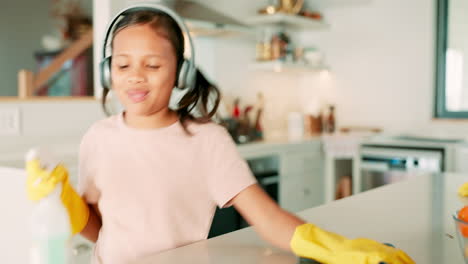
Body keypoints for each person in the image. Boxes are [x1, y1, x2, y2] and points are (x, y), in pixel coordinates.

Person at [25, 3, 415, 264]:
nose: (135, 77)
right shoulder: (97, 138)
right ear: (108, 71)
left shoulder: (206, 140)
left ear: (181, 72)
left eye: (152, 65)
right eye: (123, 64)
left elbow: (268, 219)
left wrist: (338, 250)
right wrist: (66, 204)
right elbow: (99, 230)